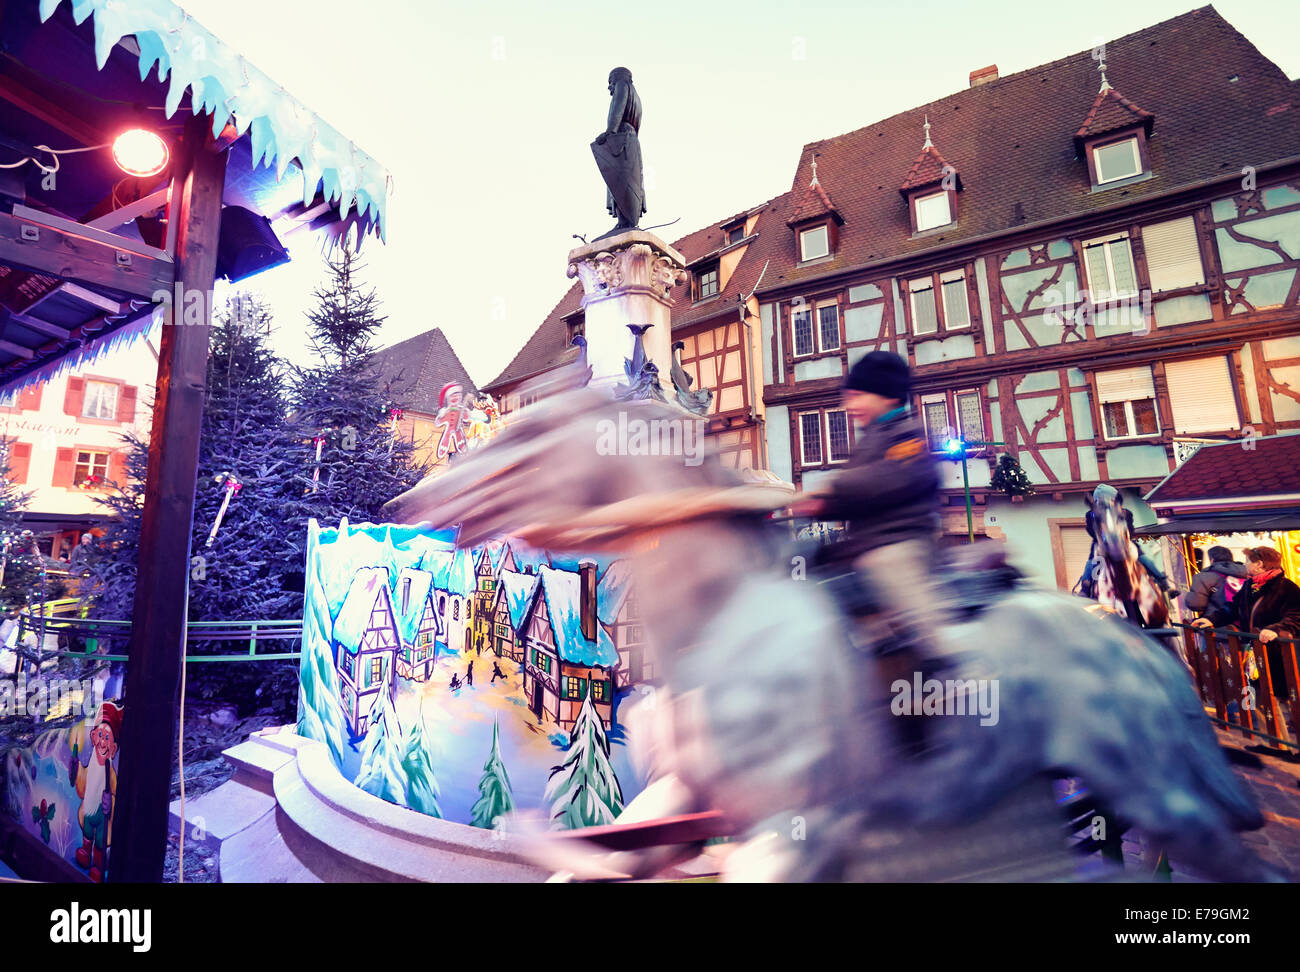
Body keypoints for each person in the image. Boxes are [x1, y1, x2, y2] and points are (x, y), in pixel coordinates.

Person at [790, 350, 949, 651]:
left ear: (887, 396)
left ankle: (941, 653)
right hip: (866, 545)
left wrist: (829, 489)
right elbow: (858, 494)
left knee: (888, 565)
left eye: (857, 396)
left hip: (902, 540)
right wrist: (825, 507)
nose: (848, 406)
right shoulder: (870, 440)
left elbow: (887, 478)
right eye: (847, 397)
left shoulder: (908, 436)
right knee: (814, 566)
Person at [1193, 546, 1300, 704]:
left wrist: (1276, 630)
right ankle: (1263, 725)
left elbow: (1296, 617)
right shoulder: (1249, 586)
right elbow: (1233, 608)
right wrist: (1212, 619)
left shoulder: (1287, 588)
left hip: (1279, 654)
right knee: (1257, 699)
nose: (1244, 564)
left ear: (1259, 564)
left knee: (1284, 698)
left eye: (1247, 561)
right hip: (1253, 652)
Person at [1075, 500, 1176, 599]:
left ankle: (1164, 584)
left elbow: (1131, 529)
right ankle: (1085, 589)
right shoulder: (1092, 515)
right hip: (1102, 545)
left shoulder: (1125, 513)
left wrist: (1122, 535)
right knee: (1091, 564)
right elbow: (1090, 530)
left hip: (1124, 544)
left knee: (1145, 560)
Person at [1183, 546, 1247, 627]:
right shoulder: (1246, 574)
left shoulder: (1203, 577)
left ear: (1212, 559)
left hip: (1214, 623)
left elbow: (1195, 604)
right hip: (1243, 625)